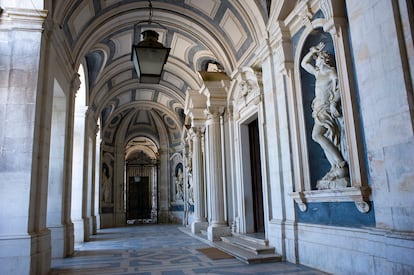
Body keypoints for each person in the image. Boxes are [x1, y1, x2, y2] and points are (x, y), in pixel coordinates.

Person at [301, 42, 348, 184]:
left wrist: (334, 103)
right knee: (324, 137)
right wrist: (312, 51)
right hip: (318, 110)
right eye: (316, 59)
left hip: (327, 109)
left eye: (318, 58)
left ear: (323, 59)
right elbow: (304, 63)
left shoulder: (330, 72)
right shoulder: (318, 73)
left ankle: (340, 163)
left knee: (317, 135)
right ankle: (335, 165)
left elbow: (339, 88)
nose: (316, 60)